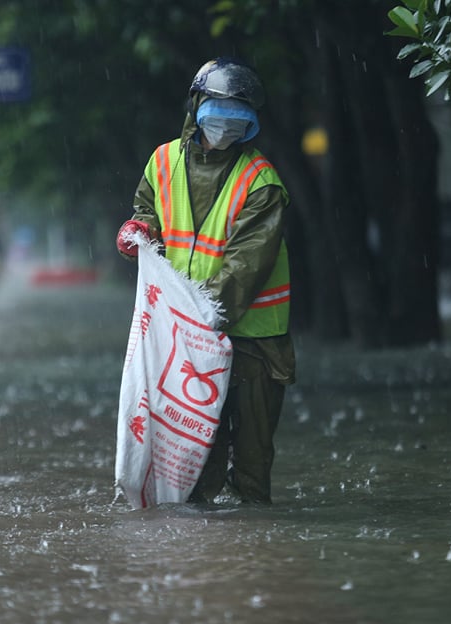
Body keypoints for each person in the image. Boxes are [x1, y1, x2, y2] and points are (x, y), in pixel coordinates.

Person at [116, 57, 295, 504]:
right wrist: (139, 230)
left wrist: (196, 318)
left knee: (252, 470)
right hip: (184, 340)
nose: (226, 127)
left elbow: (245, 266)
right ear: (195, 105)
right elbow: (148, 210)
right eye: (220, 112)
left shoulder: (261, 182)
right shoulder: (162, 161)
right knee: (194, 466)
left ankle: (255, 559)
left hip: (254, 344)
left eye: (240, 119)